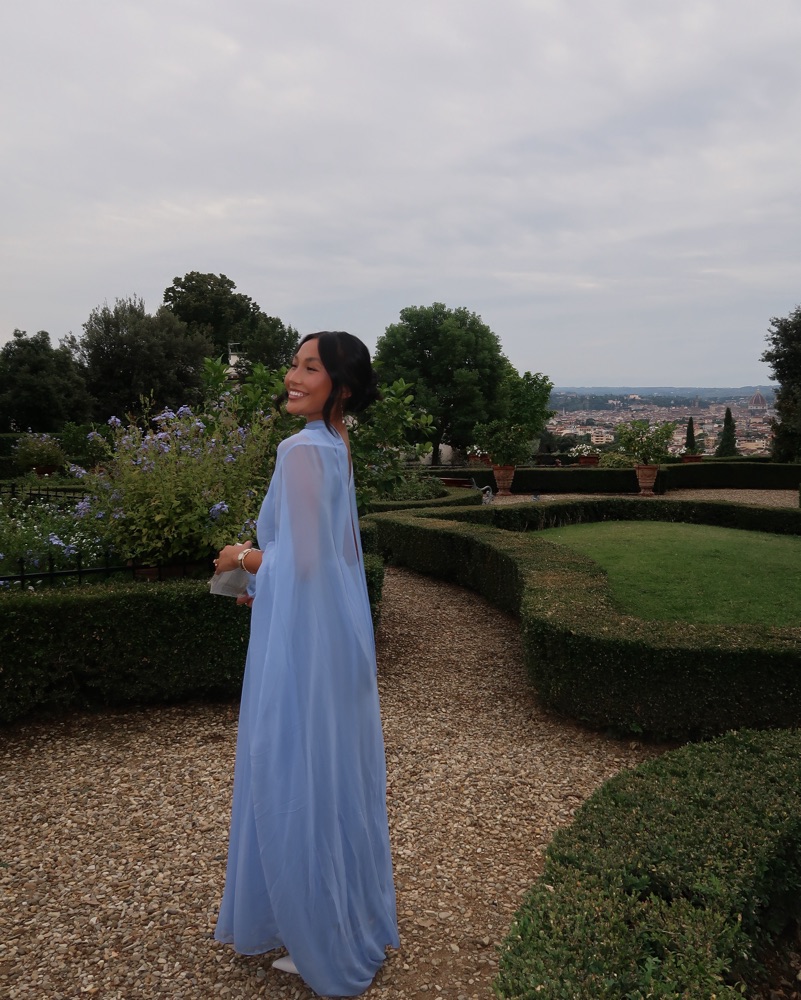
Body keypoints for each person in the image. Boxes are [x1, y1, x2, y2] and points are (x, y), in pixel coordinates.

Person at [213, 332, 399, 996]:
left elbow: (308, 561)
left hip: (303, 644)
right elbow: (335, 556)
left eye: (309, 367)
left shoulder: (301, 450)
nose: (292, 376)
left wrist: (241, 559)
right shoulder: (336, 443)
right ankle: (339, 919)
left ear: (339, 387)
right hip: (333, 633)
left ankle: (320, 936)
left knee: (292, 771)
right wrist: (268, 578)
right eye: (293, 364)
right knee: (332, 773)